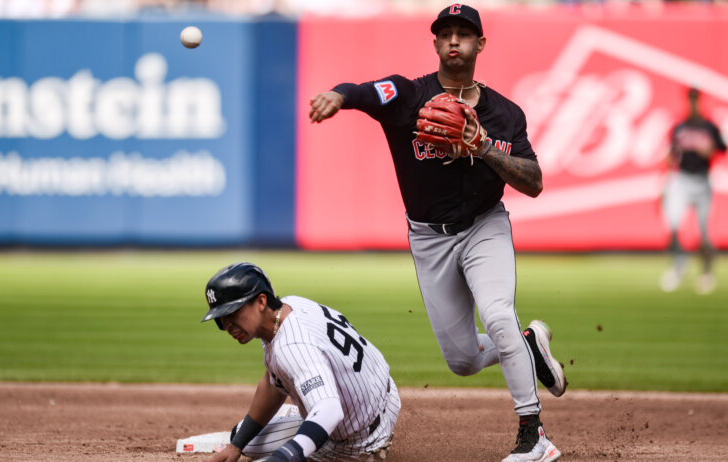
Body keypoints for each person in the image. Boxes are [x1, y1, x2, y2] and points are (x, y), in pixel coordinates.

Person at [308, 4, 566, 462]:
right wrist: (337, 96)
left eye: (463, 34)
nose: (453, 40)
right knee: (463, 360)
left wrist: (483, 147)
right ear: (434, 43)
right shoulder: (409, 95)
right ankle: (527, 345)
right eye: (445, 33)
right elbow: (366, 91)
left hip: (485, 225)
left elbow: (535, 182)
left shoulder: (505, 115)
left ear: (479, 44)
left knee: (498, 314)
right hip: (429, 237)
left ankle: (534, 434)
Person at [201, 262, 400, 462]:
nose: (227, 325)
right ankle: (312, 401)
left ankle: (315, 408)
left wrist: (285, 457)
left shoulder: (291, 346)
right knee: (242, 435)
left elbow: (330, 410)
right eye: (221, 319)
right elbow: (274, 381)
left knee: (291, 446)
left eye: (233, 312)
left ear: (261, 301)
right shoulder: (290, 307)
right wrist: (236, 446)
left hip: (358, 442)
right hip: (378, 399)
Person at [659, 87, 726, 294]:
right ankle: (678, 266)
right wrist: (666, 179)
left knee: (704, 233)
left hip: (702, 181)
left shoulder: (709, 127)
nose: (693, 103)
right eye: (691, 99)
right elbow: (672, 154)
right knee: (673, 226)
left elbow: (722, 147)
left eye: (696, 99)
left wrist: (711, 149)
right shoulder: (680, 127)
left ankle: (706, 273)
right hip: (682, 180)